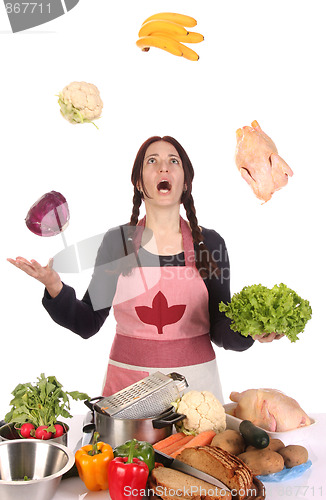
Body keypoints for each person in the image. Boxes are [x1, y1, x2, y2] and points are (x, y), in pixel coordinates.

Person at [8, 136, 283, 401]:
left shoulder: (210, 244)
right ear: (139, 183)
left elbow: (220, 326)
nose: (163, 166)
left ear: (185, 182)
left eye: (173, 161)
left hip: (195, 391)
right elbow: (87, 323)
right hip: (128, 392)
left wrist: (250, 330)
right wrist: (54, 287)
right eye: (152, 161)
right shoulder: (117, 243)